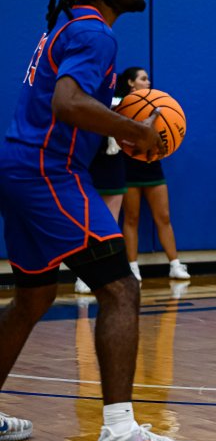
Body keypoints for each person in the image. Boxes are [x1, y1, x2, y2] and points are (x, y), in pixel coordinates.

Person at [0, 0, 194, 441]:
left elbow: (67, 100)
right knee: (121, 288)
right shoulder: (94, 33)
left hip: (22, 167)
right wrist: (138, 132)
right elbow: (67, 103)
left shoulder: (68, 26)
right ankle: (121, 433)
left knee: (33, 298)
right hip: (49, 172)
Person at [118, 67, 191, 283]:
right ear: (131, 83)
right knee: (131, 218)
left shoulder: (159, 104)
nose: (148, 82)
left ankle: (175, 265)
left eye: (148, 78)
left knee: (164, 217)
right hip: (128, 166)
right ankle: (132, 267)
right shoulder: (119, 105)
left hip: (152, 166)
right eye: (143, 78)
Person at [76, 98, 128, 294]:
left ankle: (112, 275)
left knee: (111, 226)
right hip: (91, 166)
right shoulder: (90, 102)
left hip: (115, 168)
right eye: (142, 78)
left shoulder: (127, 105)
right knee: (87, 225)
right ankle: (83, 276)